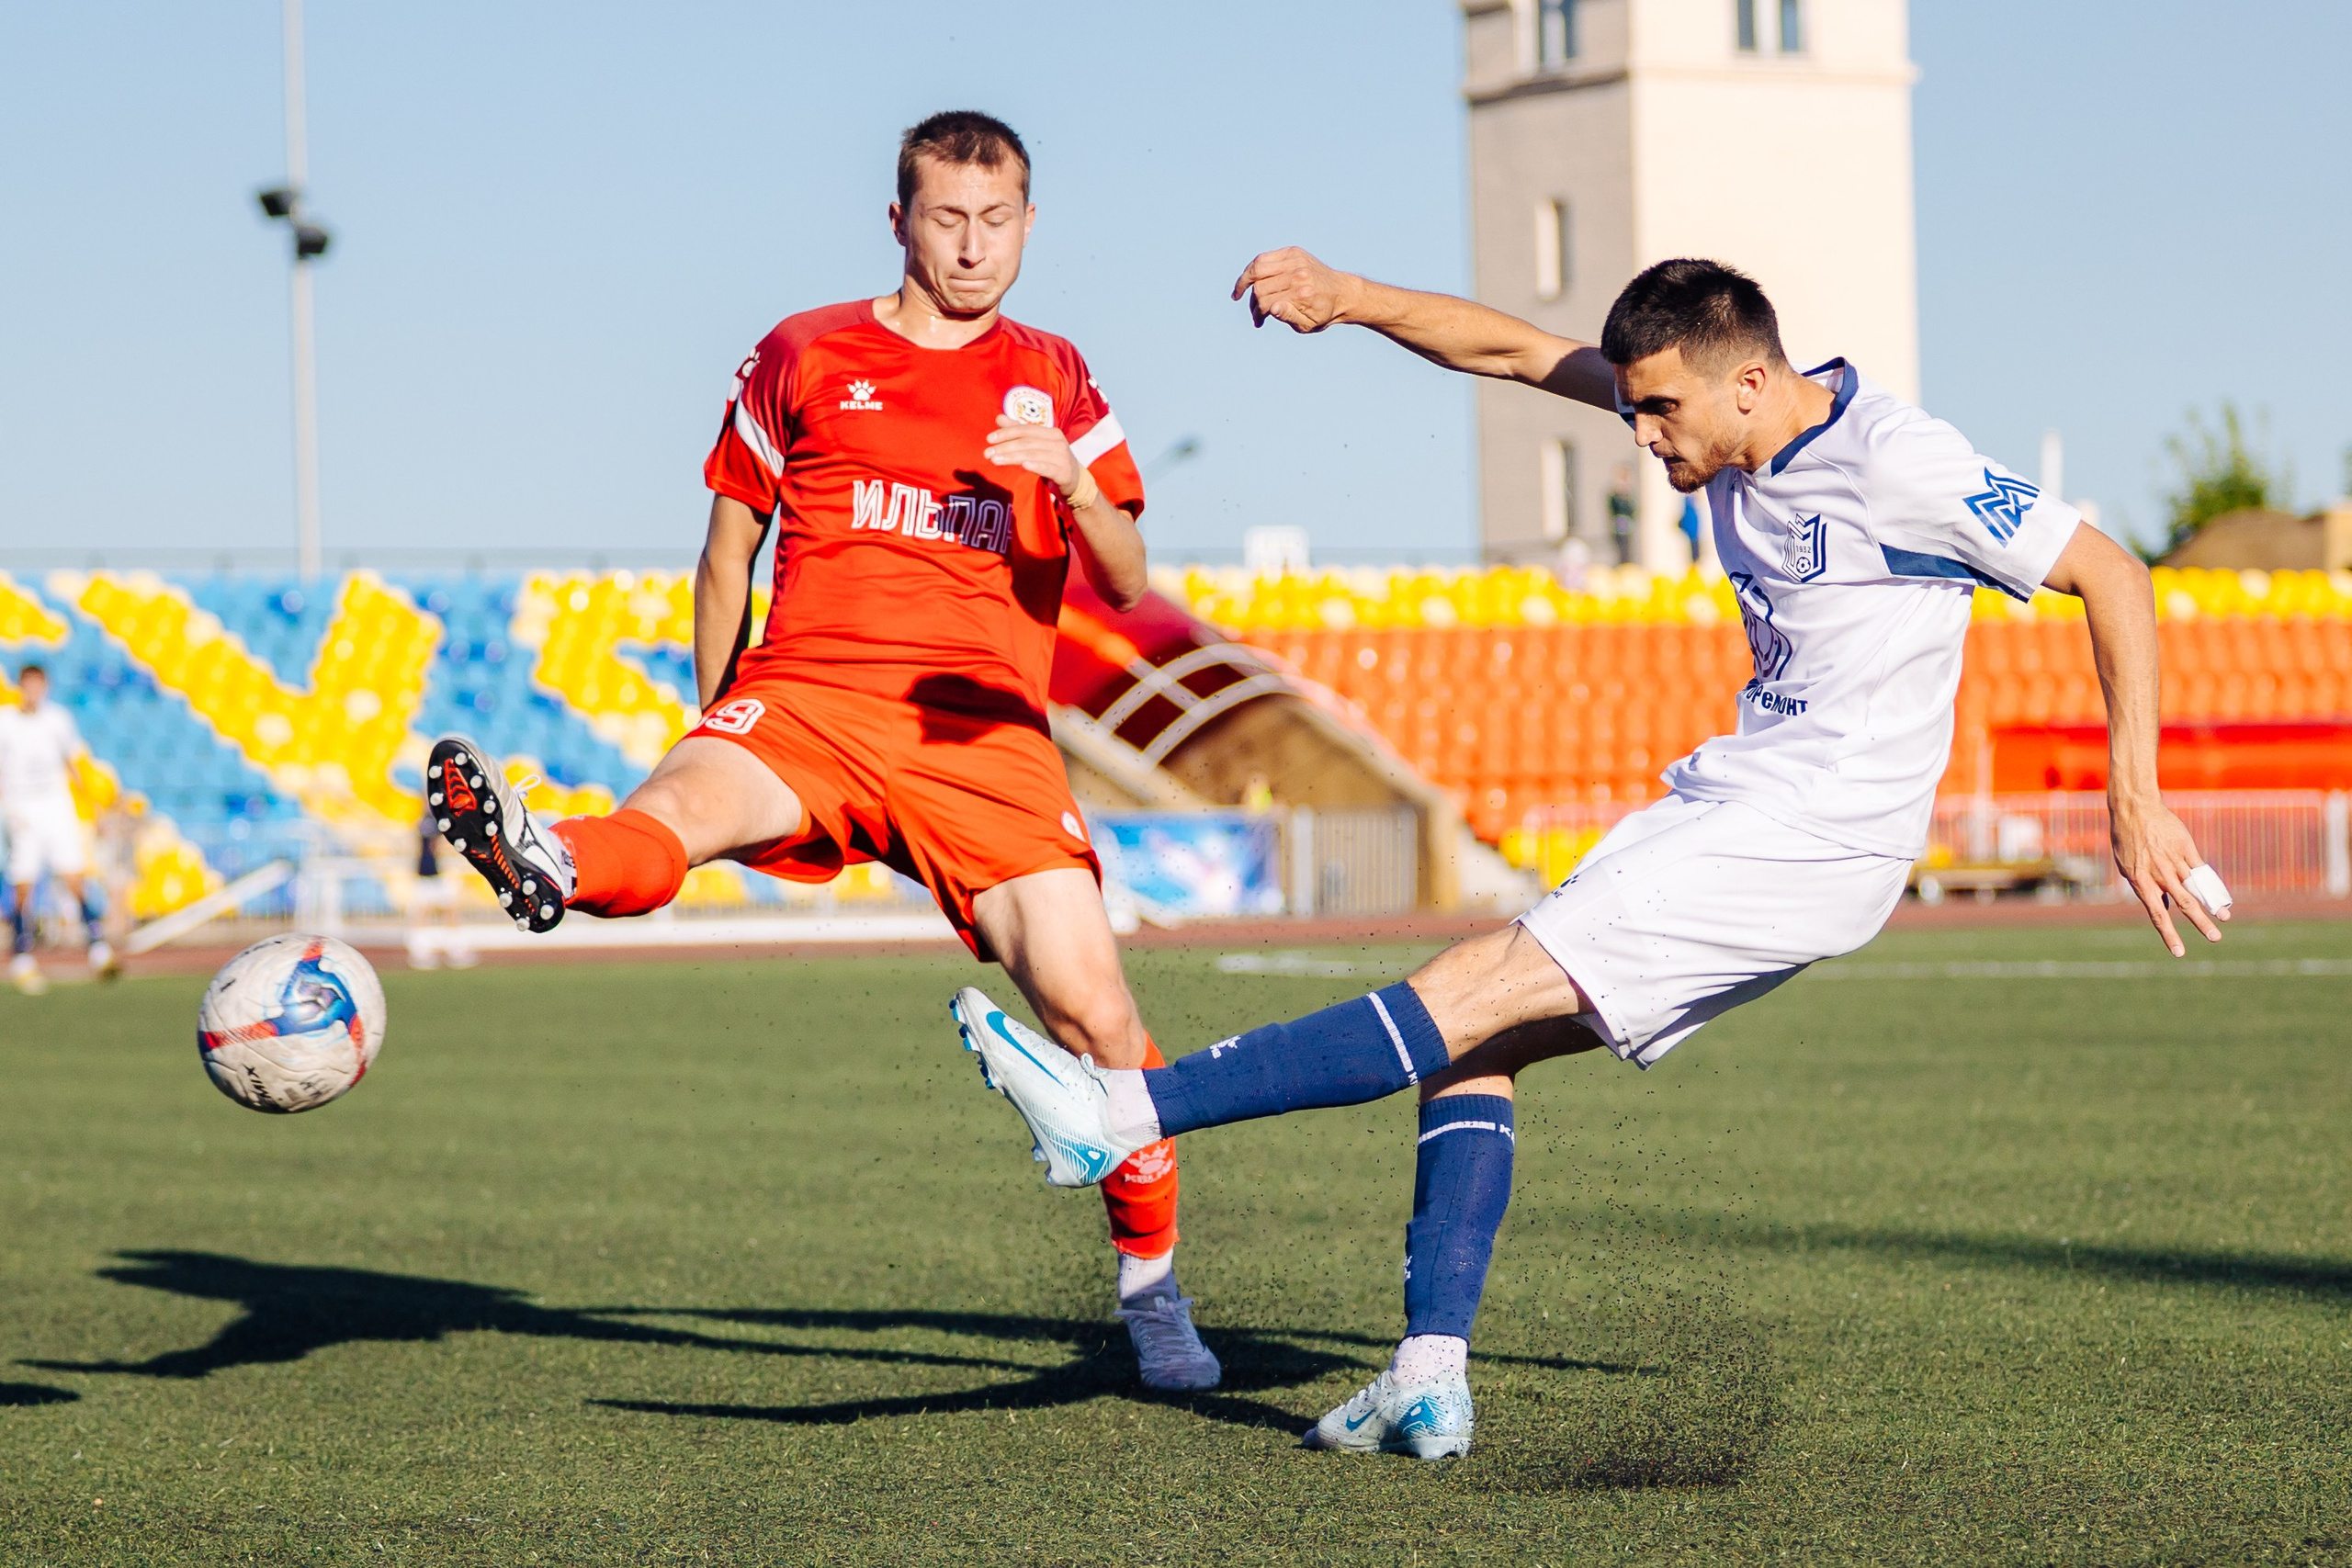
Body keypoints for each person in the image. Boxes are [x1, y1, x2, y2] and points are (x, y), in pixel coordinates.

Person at [953, 254, 2228, 1456]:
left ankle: (1119, 1113)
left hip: (1804, 832)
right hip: (1738, 805)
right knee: (1479, 1041)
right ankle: (1429, 1368)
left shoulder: (1901, 460)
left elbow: (2111, 571)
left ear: (1749, 380)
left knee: (1466, 986)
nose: (1643, 436)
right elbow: (1509, 348)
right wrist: (1344, 295)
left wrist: (2135, 793)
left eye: (1661, 410)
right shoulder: (1714, 422)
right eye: (1632, 408)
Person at [426, 111, 1218, 1390]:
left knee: (1102, 1016)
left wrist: (1070, 478)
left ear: (1029, 223)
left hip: (982, 739)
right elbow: (728, 549)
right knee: (672, 812)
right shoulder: (804, 352)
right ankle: (550, 857)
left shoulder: (1056, 374)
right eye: (947, 218)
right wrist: (711, 707)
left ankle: (1153, 1292)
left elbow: (1126, 582)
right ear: (899, 219)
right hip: (810, 694)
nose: (972, 246)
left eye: (997, 219)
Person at [0, 663, 115, 992]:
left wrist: (92, 805)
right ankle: (21, 957)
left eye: (39, 686)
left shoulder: (58, 719)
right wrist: (8, 809)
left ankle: (99, 950)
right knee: (25, 885)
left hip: (56, 806)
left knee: (75, 878)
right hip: (22, 809)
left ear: (45, 687)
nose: (34, 692)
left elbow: (71, 762)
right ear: (21, 687)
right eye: (29, 686)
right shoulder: (6, 722)